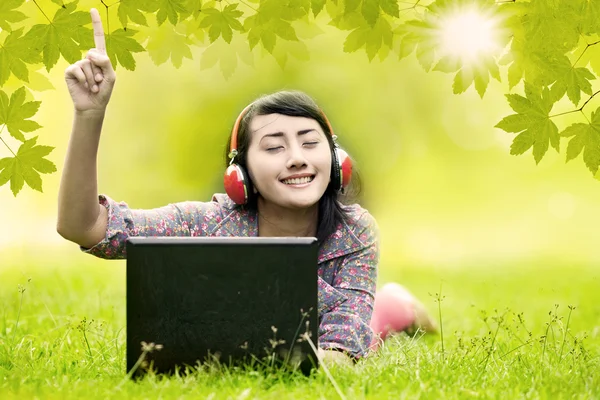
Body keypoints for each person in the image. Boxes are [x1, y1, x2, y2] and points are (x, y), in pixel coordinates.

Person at [57, 8, 435, 368]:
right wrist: (89, 115)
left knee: (373, 328)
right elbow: (84, 227)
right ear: (242, 174)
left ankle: (397, 306)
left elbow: (342, 353)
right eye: (274, 147)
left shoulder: (354, 231)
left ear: (336, 160)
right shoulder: (205, 224)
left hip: (339, 328)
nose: (297, 158)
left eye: (310, 142)